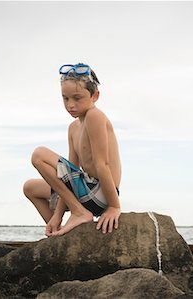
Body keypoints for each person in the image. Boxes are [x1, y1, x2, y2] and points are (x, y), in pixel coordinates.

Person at [23, 63, 122, 236]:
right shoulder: (73, 128)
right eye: (65, 98)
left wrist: (114, 206)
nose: (70, 105)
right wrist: (58, 215)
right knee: (30, 188)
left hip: (102, 194)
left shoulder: (95, 116)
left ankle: (79, 213)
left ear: (95, 96)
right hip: (85, 191)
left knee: (39, 155)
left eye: (77, 98)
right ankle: (62, 232)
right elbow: (65, 176)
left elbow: (102, 164)